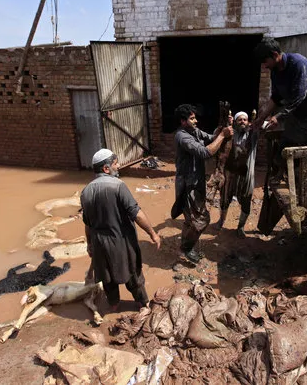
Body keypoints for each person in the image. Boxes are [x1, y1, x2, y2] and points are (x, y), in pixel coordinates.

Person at [80, 148, 161, 311]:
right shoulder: (118, 186)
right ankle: (143, 304)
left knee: (108, 280)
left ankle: (114, 306)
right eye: (115, 164)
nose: (118, 167)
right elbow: (136, 214)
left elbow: (88, 224)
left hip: (99, 245)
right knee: (134, 275)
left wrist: (90, 245)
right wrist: (153, 234)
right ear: (106, 168)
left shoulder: (85, 192)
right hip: (121, 243)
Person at [252, 37, 307, 181]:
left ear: (275, 55)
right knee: (284, 146)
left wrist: (278, 117)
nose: (264, 66)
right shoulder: (275, 71)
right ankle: (282, 175)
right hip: (297, 110)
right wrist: (261, 118)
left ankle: (305, 180)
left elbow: (299, 97)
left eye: (265, 61)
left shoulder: (298, 63)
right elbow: (275, 97)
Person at [172, 104, 233, 264]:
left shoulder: (194, 131)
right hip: (187, 185)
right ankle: (186, 249)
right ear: (183, 121)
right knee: (201, 220)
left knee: (190, 219)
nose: (196, 121)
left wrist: (222, 128)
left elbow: (211, 138)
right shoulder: (182, 136)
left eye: (195, 117)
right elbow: (205, 152)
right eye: (192, 118)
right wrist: (222, 137)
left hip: (197, 181)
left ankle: (184, 246)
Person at [215, 111, 258, 238]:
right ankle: (221, 221)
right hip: (230, 174)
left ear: (248, 121)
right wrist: (224, 125)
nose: (242, 122)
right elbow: (216, 135)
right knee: (224, 198)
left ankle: (241, 227)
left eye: (245, 120)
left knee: (246, 202)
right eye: (240, 120)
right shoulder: (230, 134)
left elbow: (265, 125)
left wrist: (258, 121)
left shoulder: (253, 134)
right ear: (235, 122)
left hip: (246, 175)